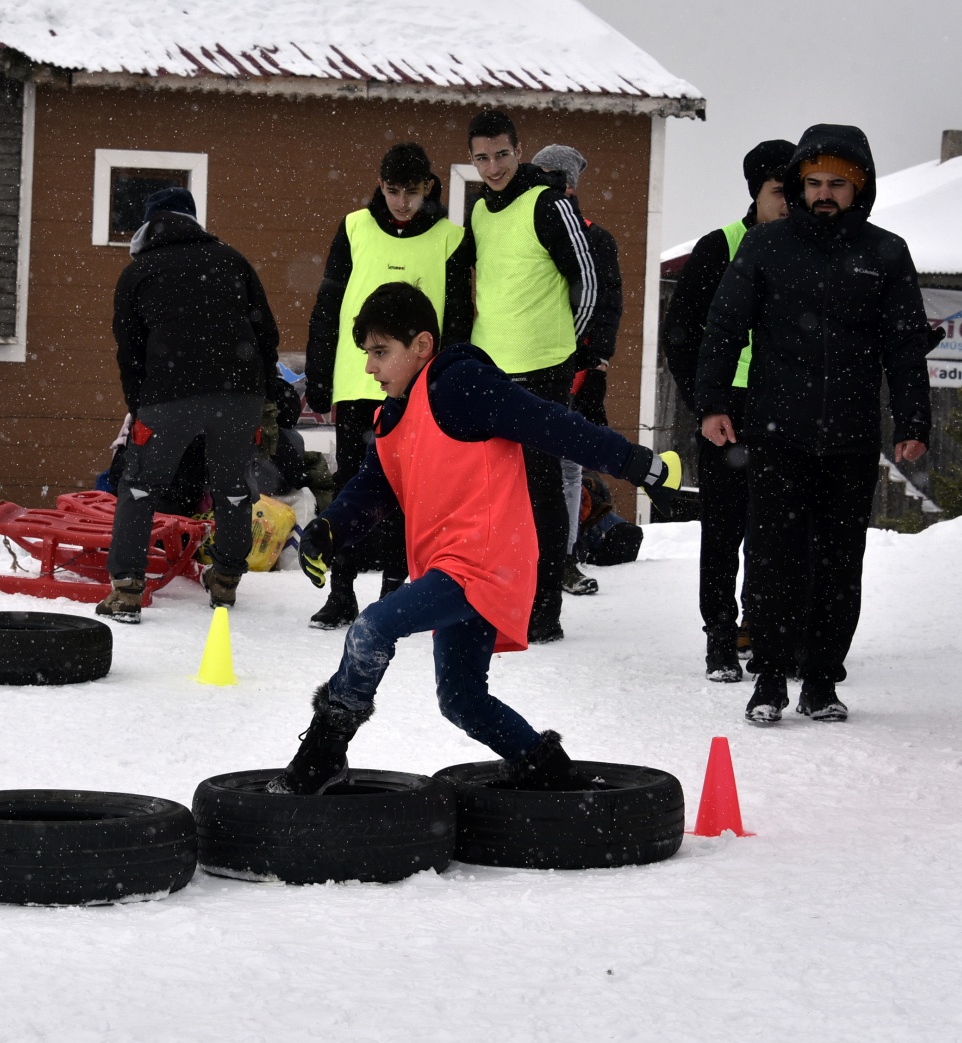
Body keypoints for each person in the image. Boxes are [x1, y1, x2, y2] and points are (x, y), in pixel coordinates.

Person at [267, 282, 680, 795]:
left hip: (484, 562)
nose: (370, 367)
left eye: (380, 352)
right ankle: (547, 769)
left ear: (421, 346)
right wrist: (330, 528)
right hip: (448, 569)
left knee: (372, 627)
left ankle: (322, 755)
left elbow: (550, 424)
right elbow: (374, 486)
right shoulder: (394, 413)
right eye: (366, 354)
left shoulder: (461, 384)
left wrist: (637, 464)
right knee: (461, 700)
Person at [695, 125, 932, 723]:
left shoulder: (886, 253)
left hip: (851, 436)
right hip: (777, 432)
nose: (824, 194)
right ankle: (769, 679)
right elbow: (724, 328)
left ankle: (822, 680)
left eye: (838, 184)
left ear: (860, 188)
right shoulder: (767, 247)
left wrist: (913, 421)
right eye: (814, 183)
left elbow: (905, 347)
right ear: (800, 186)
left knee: (838, 561)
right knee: (774, 558)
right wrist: (714, 404)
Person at [304, 142, 472, 629]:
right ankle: (341, 592)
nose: (402, 201)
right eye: (393, 190)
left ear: (429, 188)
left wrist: (451, 379)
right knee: (349, 486)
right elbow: (328, 304)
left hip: (417, 387)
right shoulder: (354, 227)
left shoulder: (450, 238)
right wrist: (319, 372)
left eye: (413, 191)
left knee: (408, 492)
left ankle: (395, 592)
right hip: (357, 380)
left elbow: (458, 318)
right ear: (380, 184)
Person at [98, 187, 280, 623]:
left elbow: (129, 352)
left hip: (168, 395)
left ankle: (126, 591)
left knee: (140, 486)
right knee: (233, 489)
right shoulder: (233, 260)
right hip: (239, 393)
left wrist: (140, 406)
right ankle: (226, 582)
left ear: (148, 224)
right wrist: (259, 392)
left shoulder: (138, 272)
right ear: (194, 220)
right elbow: (266, 335)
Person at [461, 112, 601, 643]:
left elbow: (586, 281)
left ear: (519, 150)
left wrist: (567, 347)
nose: (493, 166)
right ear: (472, 160)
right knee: (496, 492)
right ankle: (500, 600)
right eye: (481, 157)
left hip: (545, 371)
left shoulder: (549, 202)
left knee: (543, 492)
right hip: (493, 370)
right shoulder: (479, 211)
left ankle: (544, 612)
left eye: (501, 154)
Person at [663, 139, 796, 683]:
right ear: (755, 193)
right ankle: (720, 635)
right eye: (778, 193)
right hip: (727, 408)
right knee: (722, 529)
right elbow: (681, 334)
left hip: (785, 408)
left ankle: (761, 629)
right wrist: (704, 404)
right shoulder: (721, 246)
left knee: (776, 529)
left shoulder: (805, 248)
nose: (789, 203)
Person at [529, 143, 623, 600]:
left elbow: (607, 303)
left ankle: (562, 559)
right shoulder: (523, 223)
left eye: (550, 175)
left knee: (567, 469)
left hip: (575, 367)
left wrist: (598, 362)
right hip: (523, 362)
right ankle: (524, 559)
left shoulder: (596, 238)